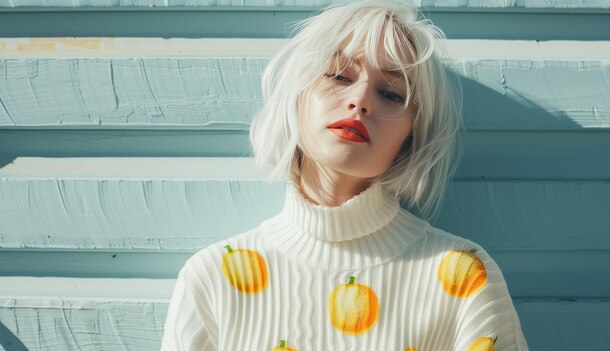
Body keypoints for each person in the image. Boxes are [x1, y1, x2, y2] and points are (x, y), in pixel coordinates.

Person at [161, 1, 528, 350]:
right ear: (297, 95)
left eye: (390, 92)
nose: (360, 100)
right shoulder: (213, 280)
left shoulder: (464, 277)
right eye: (338, 75)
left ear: (411, 137)